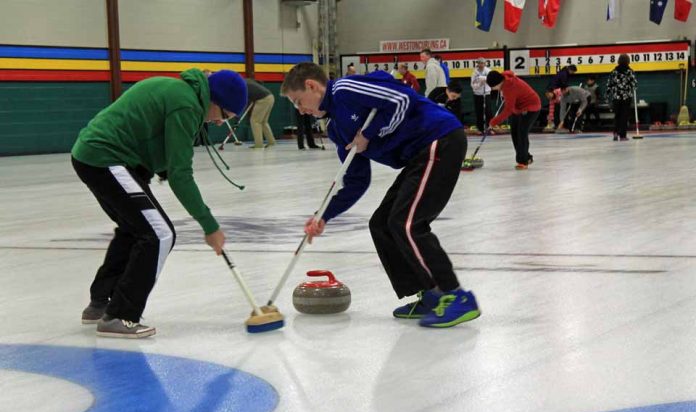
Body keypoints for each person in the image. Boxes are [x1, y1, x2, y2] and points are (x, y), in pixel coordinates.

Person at [280, 62, 480, 328]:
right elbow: (355, 181)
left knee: (407, 224)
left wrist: (368, 134)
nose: (300, 110)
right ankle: (431, 295)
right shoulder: (336, 129)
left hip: (438, 138)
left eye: (298, 101)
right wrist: (324, 215)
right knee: (382, 223)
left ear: (311, 86)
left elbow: (401, 98)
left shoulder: (344, 90)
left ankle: (455, 295)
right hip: (418, 154)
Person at [72, 69, 247, 338]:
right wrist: (209, 225)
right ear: (216, 100)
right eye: (225, 116)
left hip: (98, 156)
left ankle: (101, 302)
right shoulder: (186, 104)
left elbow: (153, 137)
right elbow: (181, 174)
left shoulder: (181, 92)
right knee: (160, 233)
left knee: (135, 228)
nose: (220, 123)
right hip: (107, 156)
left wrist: (162, 168)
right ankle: (120, 314)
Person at [487, 70, 541, 170]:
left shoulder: (509, 87)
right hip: (519, 108)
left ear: (498, 83)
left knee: (521, 132)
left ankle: (523, 161)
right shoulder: (504, 79)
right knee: (514, 132)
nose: (494, 89)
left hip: (531, 107)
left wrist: (493, 122)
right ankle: (526, 157)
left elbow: (508, 110)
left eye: (493, 87)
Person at [606, 54, 637, 141]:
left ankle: (615, 133)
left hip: (616, 97)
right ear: (628, 61)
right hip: (626, 97)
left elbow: (609, 85)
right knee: (624, 116)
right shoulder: (629, 71)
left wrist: (608, 95)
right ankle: (622, 135)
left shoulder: (614, 71)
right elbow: (634, 84)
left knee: (617, 116)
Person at [246, 78, 276, 149]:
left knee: (255, 121)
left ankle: (259, 144)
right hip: (270, 96)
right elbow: (259, 83)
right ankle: (271, 142)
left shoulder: (240, 86)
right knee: (264, 122)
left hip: (262, 99)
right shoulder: (247, 80)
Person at [471, 57, 492, 134]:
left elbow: (492, 80)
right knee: (479, 111)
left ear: (485, 63)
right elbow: (473, 85)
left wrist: (486, 80)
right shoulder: (474, 73)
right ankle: (480, 129)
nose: (481, 65)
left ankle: (489, 128)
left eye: (482, 63)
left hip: (487, 94)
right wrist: (479, 84)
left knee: (488, 111)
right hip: (478, 94)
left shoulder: (488, 71)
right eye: (479, 63)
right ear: (477, 64)